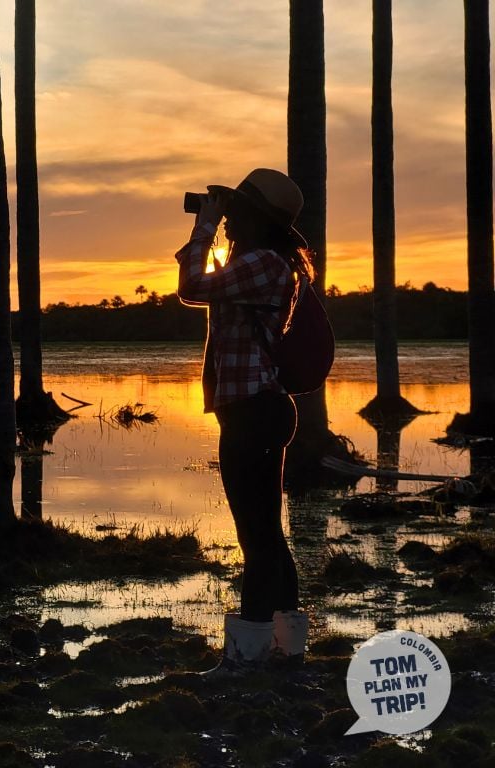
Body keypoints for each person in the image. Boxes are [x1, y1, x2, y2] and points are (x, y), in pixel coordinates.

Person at [174, 168, 312, 671]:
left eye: (236, 211)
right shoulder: (261, 261)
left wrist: (203, 229)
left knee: (255, 536)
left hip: (255, 410)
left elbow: (191, 286)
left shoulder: (263, 264)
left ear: (255, 218)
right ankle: (286, 647)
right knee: (266, 533)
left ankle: (247, 658)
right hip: (256, 408)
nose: (229, 218)